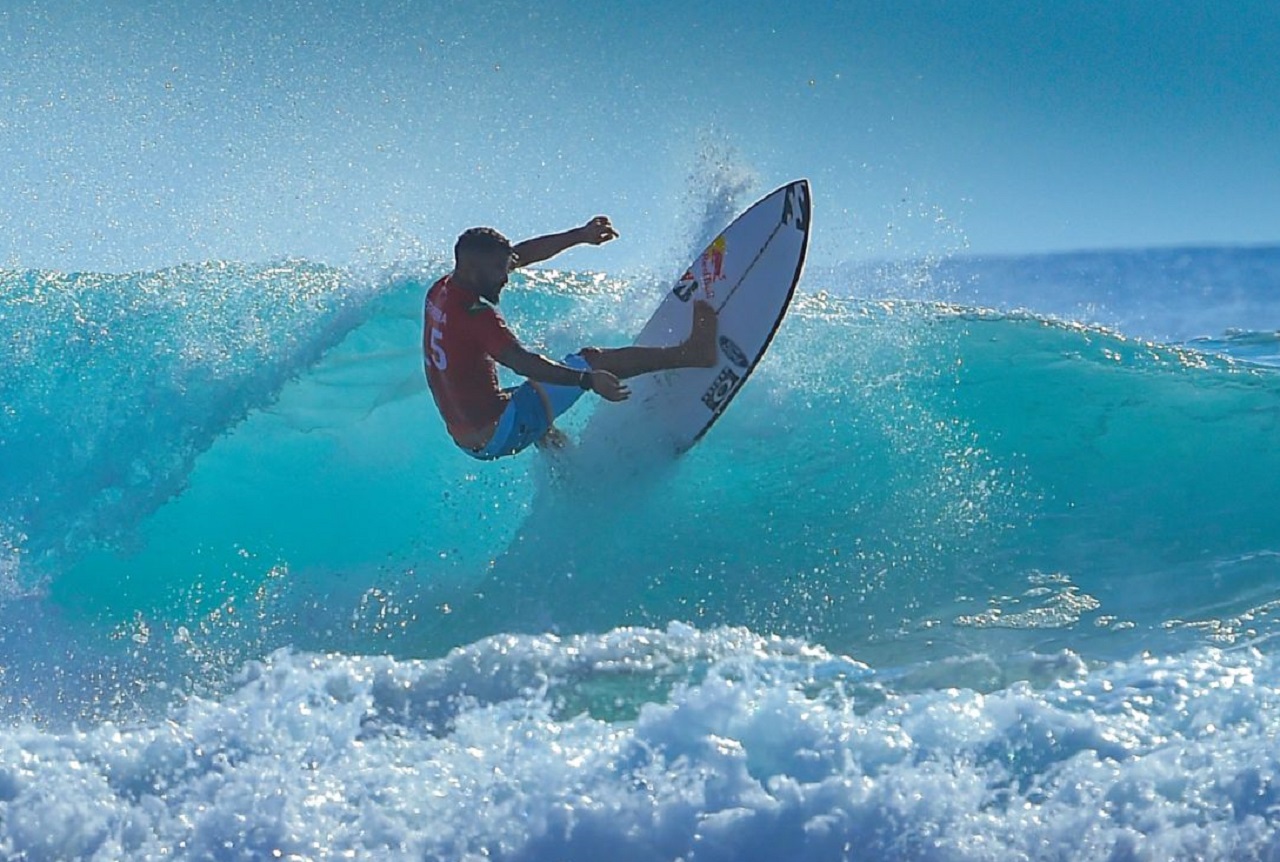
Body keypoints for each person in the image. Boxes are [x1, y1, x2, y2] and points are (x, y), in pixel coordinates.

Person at [423, 217, 718, 460]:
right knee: (590, 360)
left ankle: (572, 476)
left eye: (506, 266)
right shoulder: (476, 317)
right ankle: (695, 353)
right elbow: (523, 363)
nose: (506, 276)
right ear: (474, 269)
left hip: (467, 437)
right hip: (500, 429)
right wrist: (587, 379)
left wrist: (579, 235)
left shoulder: (441, 291)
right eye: (500, 270)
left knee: (535, 405)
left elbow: (520, 255)